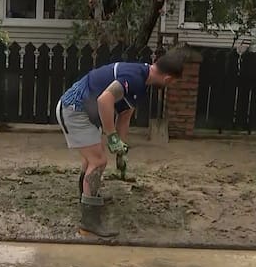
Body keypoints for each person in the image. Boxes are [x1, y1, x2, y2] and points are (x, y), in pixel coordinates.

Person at [55, 47, 198, 237]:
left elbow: (124, 116)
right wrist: (112, 136)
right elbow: (104, 100)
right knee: (98, 161)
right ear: (168, 79)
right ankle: (88, 222)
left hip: (85, 112)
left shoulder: (142, 81)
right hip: (74, 109)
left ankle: (88, 198)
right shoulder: (134, 77)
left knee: (92, 159)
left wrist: (121, 151)